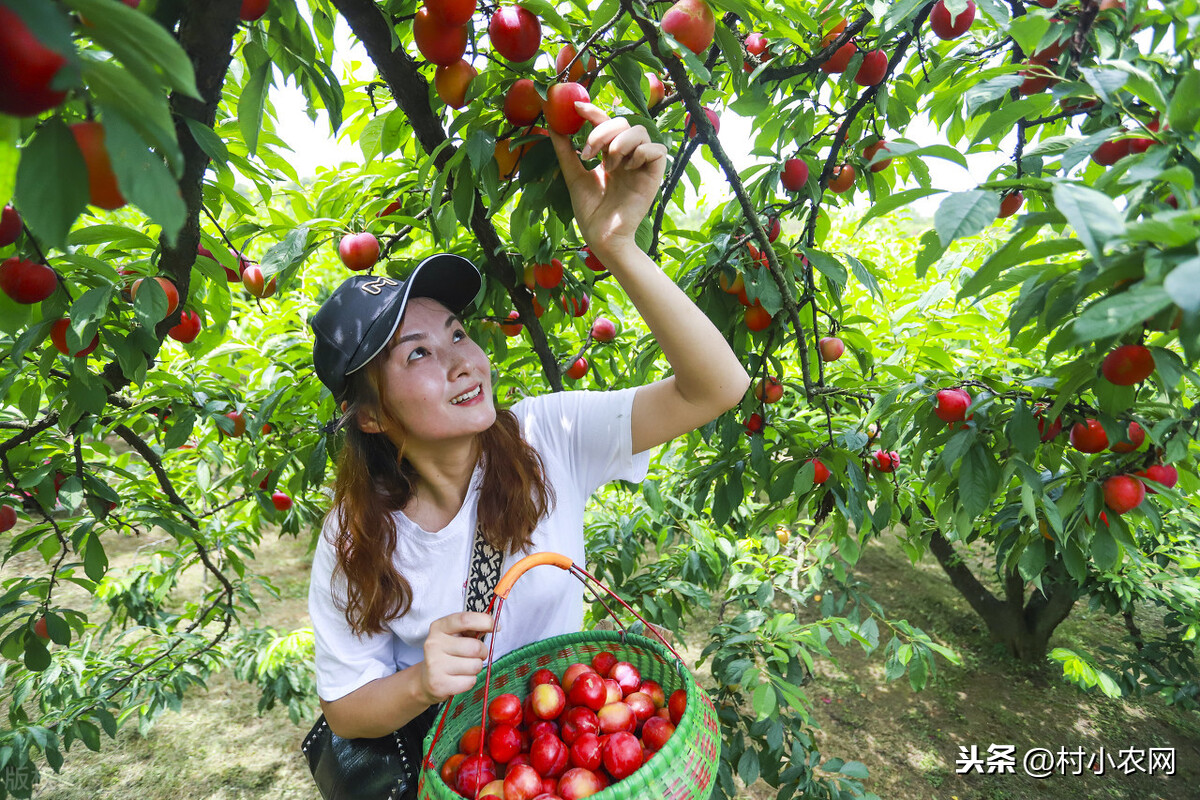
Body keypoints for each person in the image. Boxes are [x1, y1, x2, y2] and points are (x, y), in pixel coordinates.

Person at [307, 102, 751, 741]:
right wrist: (420, 683)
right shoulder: (356, 536)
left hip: (569, 745)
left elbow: (717, 388)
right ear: (371, 417)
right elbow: (346, 708)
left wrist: (616, 245)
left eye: (457, 333)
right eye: (419, 353)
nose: (462, 361)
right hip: (467, 767)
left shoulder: (548, 434)